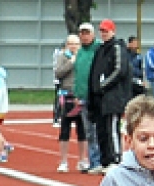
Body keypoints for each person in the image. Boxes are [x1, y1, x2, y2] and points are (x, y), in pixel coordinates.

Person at [87, 19, 132, 173]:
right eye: (102, 31)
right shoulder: (100, 49)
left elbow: (120, 70)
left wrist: (103, 85)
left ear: (113, 31)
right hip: (100, 97)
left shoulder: (117, 48)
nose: (104, 33)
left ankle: (115, 159)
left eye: (106, 31)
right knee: (101, 129)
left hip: (113, 97)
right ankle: (105, 160)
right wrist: (94, 90)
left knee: (111, 128)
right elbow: (94, 71)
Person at [54, 33, 88, 173]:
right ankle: (63, 161)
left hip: (80, 96)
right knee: (65, 129)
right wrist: (71, 62)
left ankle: (82, 160)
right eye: (71, 44)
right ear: (67, 45)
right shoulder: (62, 57)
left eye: (76, 44)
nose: (73, 46)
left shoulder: (84, 56)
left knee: (82, 129)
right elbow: (58, 73)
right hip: (66, 94)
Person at [73, 22, 101, 172]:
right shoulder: (80, 52)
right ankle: (93, 161)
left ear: (92, 34)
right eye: (82, 33)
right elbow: (78, 75)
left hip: (96, 96)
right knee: (89, 131)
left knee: (98, 130)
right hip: (83, 96)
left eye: (87, 33)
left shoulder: (99, 49)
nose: (84, 36)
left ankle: (101, 160)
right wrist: (77, 94)